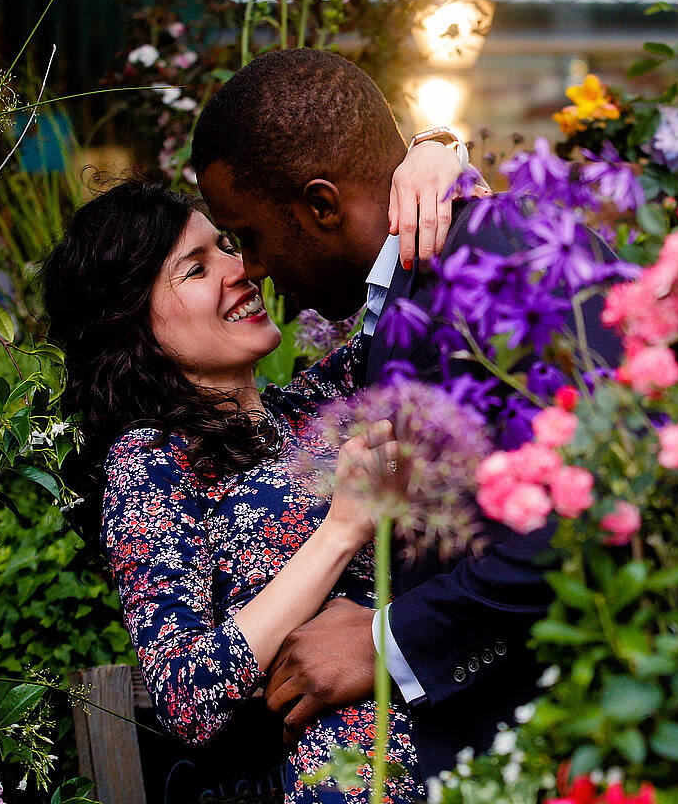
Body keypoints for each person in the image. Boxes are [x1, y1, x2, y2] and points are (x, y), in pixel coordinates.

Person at [189, 48, 621, 778]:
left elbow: (604, 498)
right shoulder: (402, 302)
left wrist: (387, 643)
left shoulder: (503, 255)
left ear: (321, 207)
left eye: (250, 236)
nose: (252, 269)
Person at [41, 143, 467, 804]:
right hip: (350, 774)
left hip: (456, 718)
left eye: (227, 247)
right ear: (134, 325)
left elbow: (406, 307)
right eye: (196, 267)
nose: (240, 269)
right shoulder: (152, 461)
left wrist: (437, 153)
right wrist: (341, 531)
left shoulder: (313, 405)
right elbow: (186, 697)